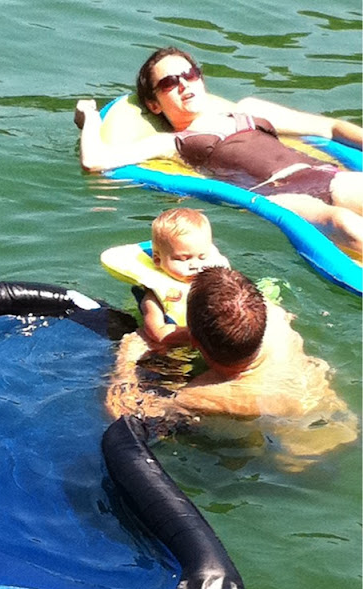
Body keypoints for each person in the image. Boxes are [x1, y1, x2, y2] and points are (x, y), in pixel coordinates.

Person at [75, 47, 363, 256]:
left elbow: (330, 128)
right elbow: (94, 161)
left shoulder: (249, 110)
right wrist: (89, 118)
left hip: (319, 174)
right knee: (344, 224)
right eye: (169, 83)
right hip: (277, 194)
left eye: (189, 74)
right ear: (154, 105)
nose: (183, 84)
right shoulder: (172, 142)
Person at [106, 267, 357, 468]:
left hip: (299, 460)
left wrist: (127, 358)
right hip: (345, 425)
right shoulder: (274, 319)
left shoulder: (204, 394)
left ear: (194, 341)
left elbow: (125, 413)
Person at [131, 207, 229, 345]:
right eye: (183, 259)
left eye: (202, 257)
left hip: (206, 341)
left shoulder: (215, 282)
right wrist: (202, 335)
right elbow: (157, 332)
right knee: (138, 343)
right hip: (173, 345)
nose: (195, 265)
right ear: (158, 260)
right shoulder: (154, 294)